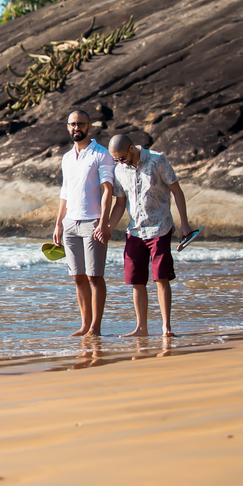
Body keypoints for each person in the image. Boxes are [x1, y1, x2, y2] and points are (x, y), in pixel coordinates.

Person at [105, 134, 192, 338]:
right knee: (137, 281)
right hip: (134, 231)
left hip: (160, 228)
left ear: (132, 149)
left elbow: (177, 191)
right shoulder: (119, 170)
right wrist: (108, 227)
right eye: (116, 159)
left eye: (122, 157)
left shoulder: (157, 160)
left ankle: (166, 327)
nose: (120, 162)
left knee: (161, 278)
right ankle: (141, 328)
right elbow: (119, 204)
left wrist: (185, 224)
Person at [53, 109, 115, 337]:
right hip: (70, 222)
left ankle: (95, 328)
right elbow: (65, 191)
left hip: (93, 222)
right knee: (78, 276)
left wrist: (104, 223)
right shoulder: (67, 157)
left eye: (80, 124)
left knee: (94, 276)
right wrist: (58, 223)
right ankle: (84, 325)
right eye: (72, 124)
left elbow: (107, 191)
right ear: (68, 127)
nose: (76, 128)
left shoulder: (101, 154)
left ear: (89, 127)